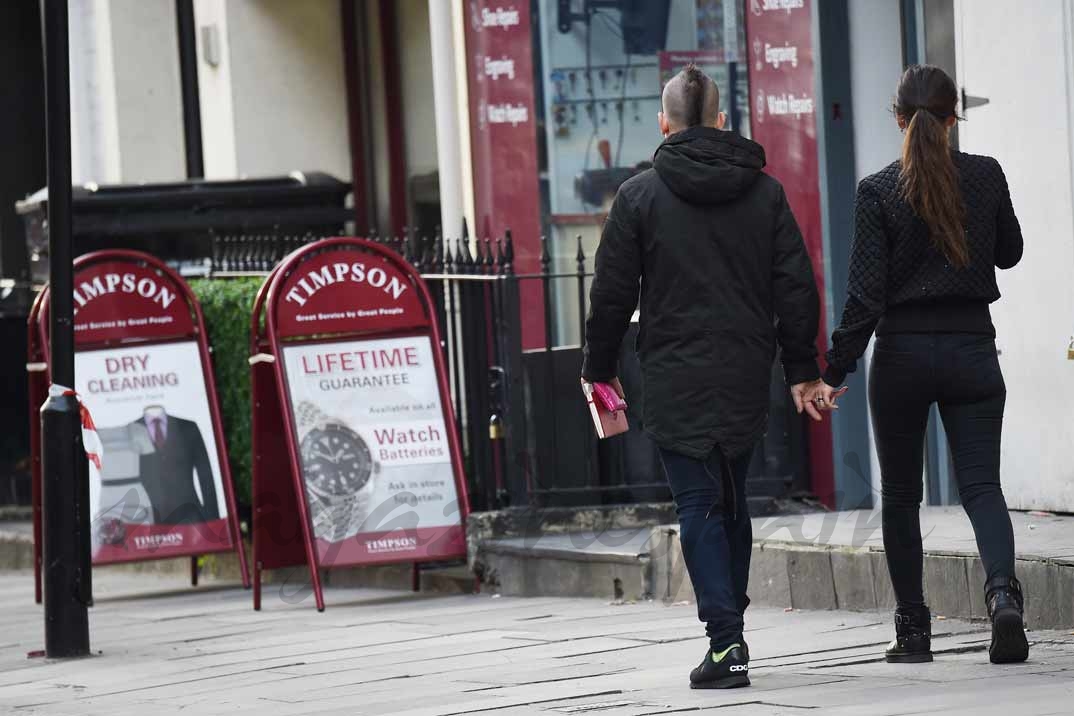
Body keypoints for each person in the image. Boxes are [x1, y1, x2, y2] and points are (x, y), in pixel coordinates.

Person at [581, 64, 826, 689]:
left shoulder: (638, 196)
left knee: (697, 501)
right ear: (722, 121)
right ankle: (731, 628)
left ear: (664, 124)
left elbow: (610, 295)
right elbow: (796, 285)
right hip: (747, 367)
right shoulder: (764, 193)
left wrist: (598, 370)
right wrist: (801, 366)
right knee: (733, 497)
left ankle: (727, 641)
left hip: (671, 369)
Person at [814, 65, 1027, 664]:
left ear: (900, 120)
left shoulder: (877, 190)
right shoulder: (985, 176)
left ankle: (913, 631)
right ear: (954, 118)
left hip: (902, 356)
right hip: (972, 350)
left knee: (903, 496)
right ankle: (1004, 597)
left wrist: (836, 371)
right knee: (983, 487)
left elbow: (864, 295)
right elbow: (1009, 254)